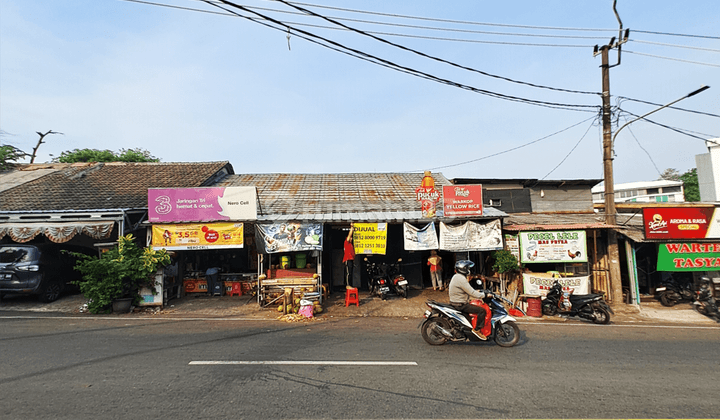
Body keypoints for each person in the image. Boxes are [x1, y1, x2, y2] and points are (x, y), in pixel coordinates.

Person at [448, 260, 488, 340]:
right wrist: (484, 295)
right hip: (460, 304)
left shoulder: (457, 276)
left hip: (457, 302)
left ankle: (467, 332)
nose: (469, 270)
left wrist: (477, 292)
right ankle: (477, 330)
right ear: (463, 269)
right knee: (482, 311)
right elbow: (472, 293)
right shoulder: (461, 279)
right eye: (467, 268)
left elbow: (468, 290)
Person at [343, 224, 355, 289]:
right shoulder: (346, 243)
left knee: (351, 273)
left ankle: (350, 285)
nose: (351, 238)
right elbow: (349, 235)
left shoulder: (351, 245)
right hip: (348, 259)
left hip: (351, 260)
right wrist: (351, 228)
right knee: (348, 273)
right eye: (351, 238)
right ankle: (348, 285)